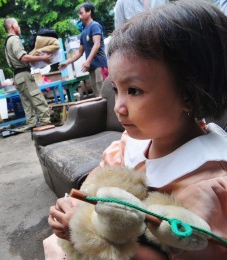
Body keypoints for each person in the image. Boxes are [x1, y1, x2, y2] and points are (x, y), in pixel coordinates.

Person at [46, 0, 227, 259]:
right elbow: (98, 181)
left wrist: (83, 229)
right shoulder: (134, 144)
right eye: (116, 89)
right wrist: (76, 205)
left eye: (133, 91)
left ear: (189, 94)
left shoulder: (203, 185)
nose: (118, 106)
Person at [3, 18, 52, 130]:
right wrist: (42, 58)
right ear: (12, 26)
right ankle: (46, 122)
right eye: (17, 25)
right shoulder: (14, 40)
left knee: (27, 103)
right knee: (38, 98)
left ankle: (32, 123)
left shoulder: (7, 42)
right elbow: (23, 57)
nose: (19, 27)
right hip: (24, 75)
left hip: (17, 77)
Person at [59, 2, 108, 97]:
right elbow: (79, 53)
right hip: (92, 67)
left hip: (99, 65)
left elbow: (97, 44)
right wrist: (67, 62)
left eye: (81, 13)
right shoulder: (84, 32)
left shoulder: (95, 26)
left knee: (104, 92)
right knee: (98, 95)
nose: (79, 16)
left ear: (89, 12)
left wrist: (88, 61)